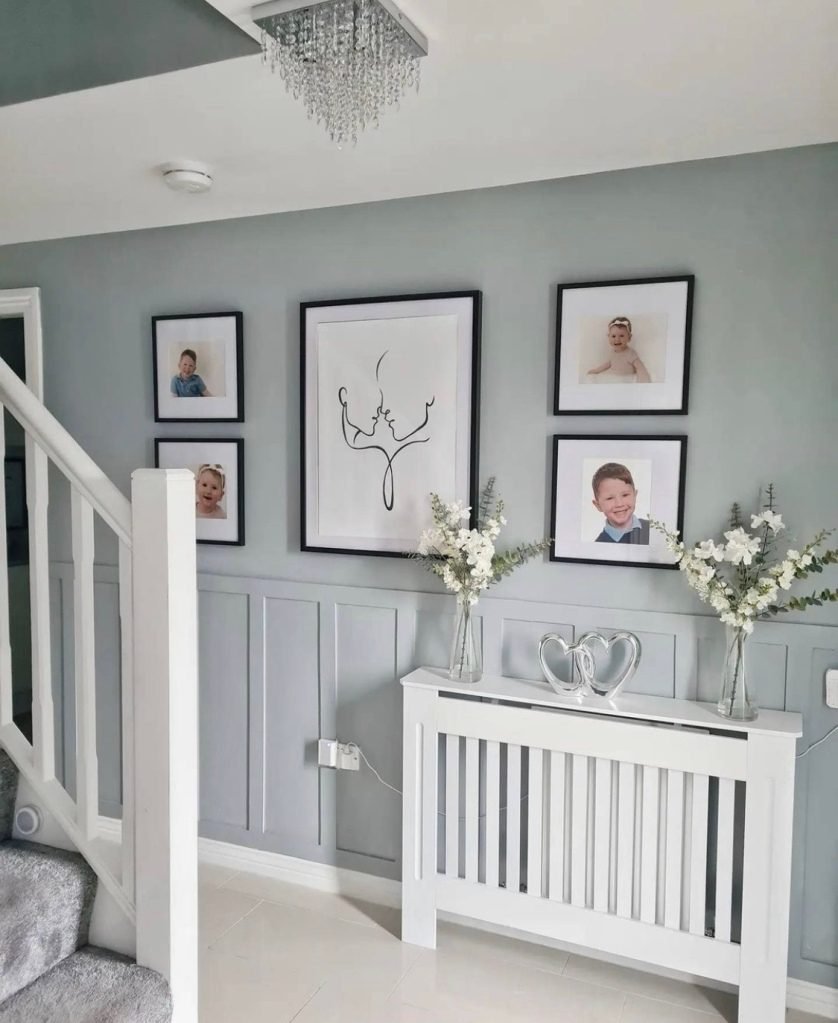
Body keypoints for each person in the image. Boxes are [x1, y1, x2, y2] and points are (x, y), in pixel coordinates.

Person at [591, 462, 649, 544]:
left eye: (625, 495)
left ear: (635, 495)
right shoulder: (598, 546)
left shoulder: (654, 530)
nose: (619, 504)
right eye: (610, 498)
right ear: (598, 505)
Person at [586, 316, 651, 383]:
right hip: (614, 379)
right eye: (613, 336)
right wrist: (596, 370)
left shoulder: (630, 353)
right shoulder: (612, 352)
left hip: (626, 380)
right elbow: (608, 364)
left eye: (621, 336)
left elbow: (640, 368)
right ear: (609, 337)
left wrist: (644, 382)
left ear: (629, 337)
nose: (617, 339)